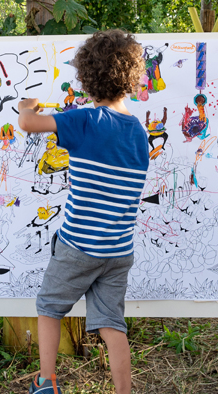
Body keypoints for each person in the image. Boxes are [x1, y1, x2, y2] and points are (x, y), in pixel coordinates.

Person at [17, 29, 149, 394]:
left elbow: (28, 124)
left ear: (87, 79)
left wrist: (25, 106)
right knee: (111, 323)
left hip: (78, 245)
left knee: (49, 306)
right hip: (119, 250)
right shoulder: (139, 132)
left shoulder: (86, 121)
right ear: (131, 79)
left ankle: (46, 383)